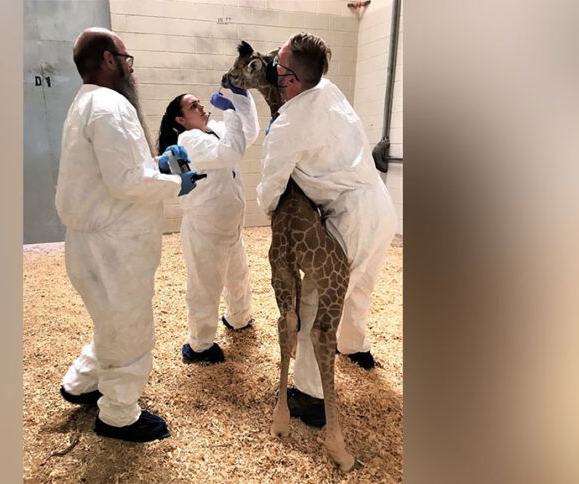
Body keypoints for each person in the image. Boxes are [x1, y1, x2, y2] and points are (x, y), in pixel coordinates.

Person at [55, 27, 202, 442]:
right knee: (130, 327)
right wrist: (175, 183)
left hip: (89, 240)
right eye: (126, 58)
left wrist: (156, 162)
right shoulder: (111, 106)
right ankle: (119, 415)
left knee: (110, 320)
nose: (130, 67)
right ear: (108, 60)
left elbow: (112, 169)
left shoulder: (85, 104)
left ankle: (81, 383)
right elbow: (126, 182)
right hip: (115, 245)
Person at [257, 32, 397, 427]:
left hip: (348, 218)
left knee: (315, 303)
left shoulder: (288, 125)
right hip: (380, 206)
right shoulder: (329, 89)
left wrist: (268, 205)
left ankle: (310, 395)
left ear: (289, 79)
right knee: (359, 286)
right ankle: (354, 346)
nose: (274, 69)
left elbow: (271, 189)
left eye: (278, 66)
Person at [156, 79, 260, 364]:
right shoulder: (189, 140)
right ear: (180, 119)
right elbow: (231, 152)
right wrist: (230, 111)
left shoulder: (214, 130)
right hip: (205, 229)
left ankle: (238, 318)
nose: (201, 107)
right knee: (205, 287)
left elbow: (247, 133)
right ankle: (200, 345)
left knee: (238, 277)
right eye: (193, 106)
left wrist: (241, 98)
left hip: (230, 226)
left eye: (199, 103)